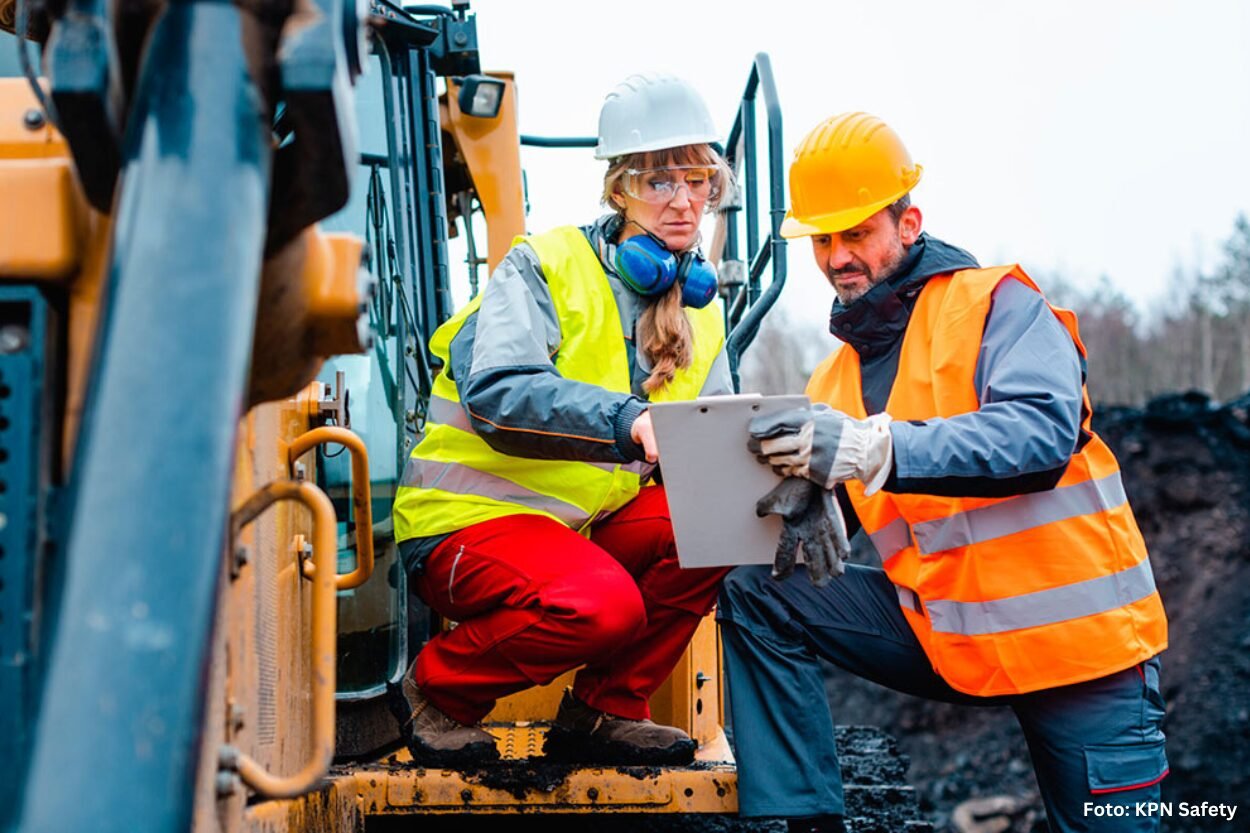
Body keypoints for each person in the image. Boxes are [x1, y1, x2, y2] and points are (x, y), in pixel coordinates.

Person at [717, 112, 1169, 833]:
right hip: (951, 639)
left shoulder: (997, 305)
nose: (838, 257)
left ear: (908, 221)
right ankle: (804, 821)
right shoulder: (833, 380)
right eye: (823, 240)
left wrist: (876, 449)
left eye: (856, 232)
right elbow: (833, 505)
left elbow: (1040, 435)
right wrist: (806, 503)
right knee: (758, 592)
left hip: (1081, 650)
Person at [389, 73, 734, 767]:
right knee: (604, 604)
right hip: (462, 526)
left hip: (567, 535)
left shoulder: (703, 311)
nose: (683, 198)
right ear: (620, 190)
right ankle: (439, 691)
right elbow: (497, 391)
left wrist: (789, 477)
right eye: (659, 180)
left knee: (716, 515)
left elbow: (718, 447)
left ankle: (605, 711)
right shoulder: (543, 266)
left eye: (698, 179)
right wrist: (627, 418)